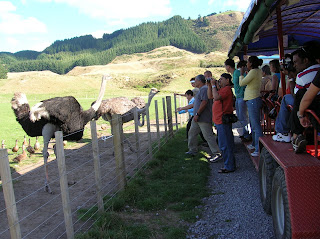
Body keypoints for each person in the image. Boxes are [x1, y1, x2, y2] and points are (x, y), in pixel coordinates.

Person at [290, 42, 320, 152]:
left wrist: (301, 114)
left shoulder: (302, 76)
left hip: (315, 115)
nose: (294, 66)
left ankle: (295, 135)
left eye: (295, 62)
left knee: (298, 96)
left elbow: (305, 98)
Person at [186, 74, 221, 161]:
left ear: (200, 81)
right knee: (192, 133)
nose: (195, 82)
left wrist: (197, 114)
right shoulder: (201, 89)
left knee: (208, 136)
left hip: (202, 117)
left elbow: (204, 102)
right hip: (198, 117)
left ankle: (217, 153)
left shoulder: (204, 89)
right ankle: (192, 150)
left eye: (196, 81)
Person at [207, 73, 236, 173]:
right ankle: (229, 164)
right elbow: (210, 96)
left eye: (222, 79)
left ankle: (229, 166)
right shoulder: (222, 89)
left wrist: (214, 85)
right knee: (224, 143)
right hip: (219, 120)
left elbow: (216, 97)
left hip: (223, 120)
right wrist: (210, 85)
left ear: (227, 80)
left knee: (225, 144)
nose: (220, 81)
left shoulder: (227, 89)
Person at [239, 56, 263, 157]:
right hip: (253, 99)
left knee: (256, 125)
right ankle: (254, 144)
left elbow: (242, 83)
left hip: (253, 99)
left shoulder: (253, 72)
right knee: (253, 124)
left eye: (248, 62)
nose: (246, 64)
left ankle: (258, 149)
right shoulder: (256, 71)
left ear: (251, 63)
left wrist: (241, 74)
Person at [225, 59, 251, 141]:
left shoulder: (237, 73)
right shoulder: (235, 74)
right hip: (239, 97)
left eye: (226, 66)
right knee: (240, 116)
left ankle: (247, 134)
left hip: (242, 97)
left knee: (243, 116)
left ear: (228, 66)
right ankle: (245, 132)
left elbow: (243, 82)